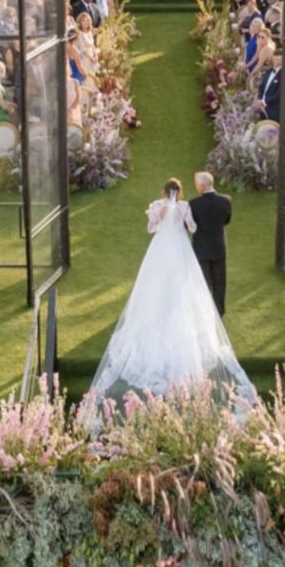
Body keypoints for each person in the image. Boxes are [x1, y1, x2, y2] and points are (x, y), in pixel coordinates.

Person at [87, 178, 254, 413]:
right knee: (182, 287)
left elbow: (151, 229)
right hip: (179, 248)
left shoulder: (157, 205)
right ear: (180, 191)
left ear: (164, 191)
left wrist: (156, 216)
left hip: (159, 249)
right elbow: (193, 228)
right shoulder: (185, 207)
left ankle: (156, 317)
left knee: (154, 285)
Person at [189, 171, 233, 318]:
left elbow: (190, 224)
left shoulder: (194, 204)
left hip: (201, 247)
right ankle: (219, 310)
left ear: (202, 185)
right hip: (219, 246)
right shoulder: (226, 201)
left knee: (203, 280)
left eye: (196, 184)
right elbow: (227, 220)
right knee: (220, 280)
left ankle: (205, 311)